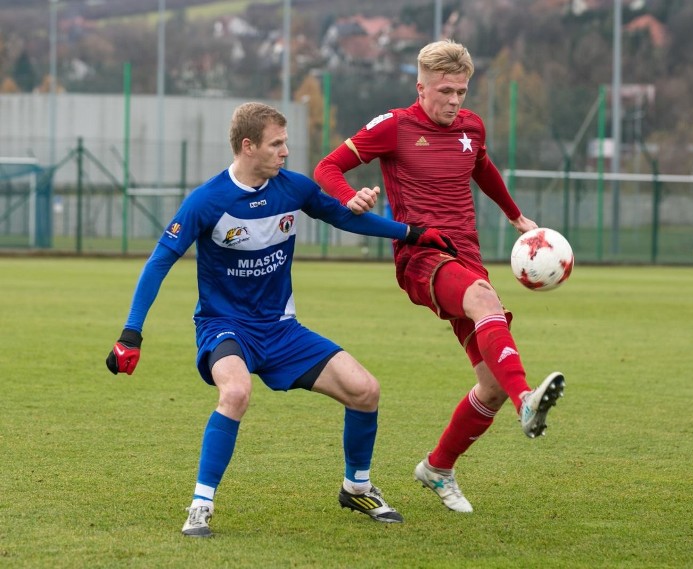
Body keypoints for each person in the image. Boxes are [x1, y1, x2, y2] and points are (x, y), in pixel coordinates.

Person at [105, 102, 456, 537]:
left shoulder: (293, 189)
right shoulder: (207, 201)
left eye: (285, 142)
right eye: (277, 144)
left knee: (366, 391)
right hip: (225, 326)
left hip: (281, 329)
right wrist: (131, 333)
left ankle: (357, 486)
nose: (285, 151)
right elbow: (159, 262)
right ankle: (201, 505)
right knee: (235, 391)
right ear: (248, 146)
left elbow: (343, 217)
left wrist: (413, 233)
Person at [314, 39, 565, 514]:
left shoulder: (471, 127)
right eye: (445, 91)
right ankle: (526, 402)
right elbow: (328, 166)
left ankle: (438, 466)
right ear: (421, 87)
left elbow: (483, 168)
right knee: (484, 300)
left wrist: (516, 217)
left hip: (467, 257)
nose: (454, 101)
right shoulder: (394, 126)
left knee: (489, 383)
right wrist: (350, 197)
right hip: (422, 256)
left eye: (462, 92)